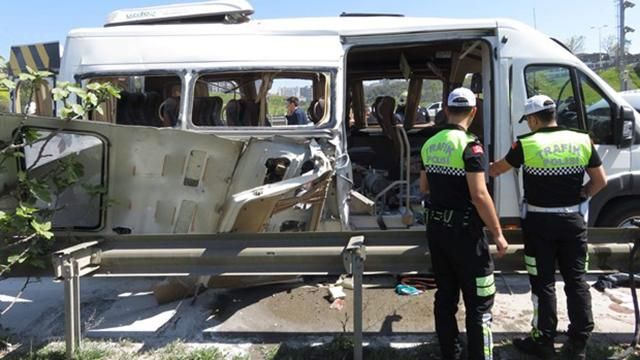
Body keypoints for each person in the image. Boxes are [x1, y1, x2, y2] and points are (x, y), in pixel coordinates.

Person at [490, 95, 607, 359]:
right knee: (576, 282)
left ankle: (543, 339)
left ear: (533, 119)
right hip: (573, 223)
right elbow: (600, 181)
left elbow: (497, 170)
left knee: (543, 283)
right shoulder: (582, 140)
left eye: (528, 121)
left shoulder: (526, 144)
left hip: (539, 224)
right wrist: (582, 194)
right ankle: (578, 343)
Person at [420, 87, 508, 360]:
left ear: (446, 111)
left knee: (445, 298)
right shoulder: (472, 146)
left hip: (437, 231)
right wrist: (498, 234)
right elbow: (479, 195)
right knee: (480, 302)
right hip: (466, 235)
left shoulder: (429, 143)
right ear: (473, 112)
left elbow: (424, 188)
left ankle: (451, 354)